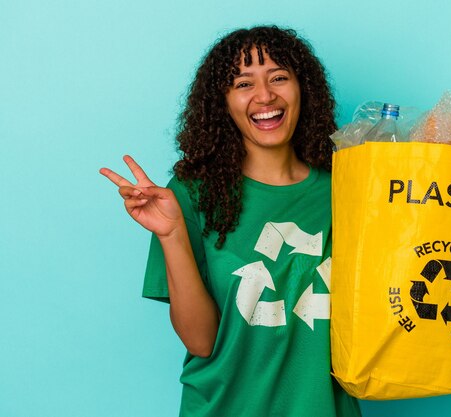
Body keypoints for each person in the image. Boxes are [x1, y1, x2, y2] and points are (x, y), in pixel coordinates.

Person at [100, 26, 362, 417]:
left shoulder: (348, 188)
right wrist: (172, 234)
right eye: (243, 83)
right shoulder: (192, 194)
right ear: (222, 102)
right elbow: (202, 342)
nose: (265, 96)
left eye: (278, 78)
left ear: (303, 89)